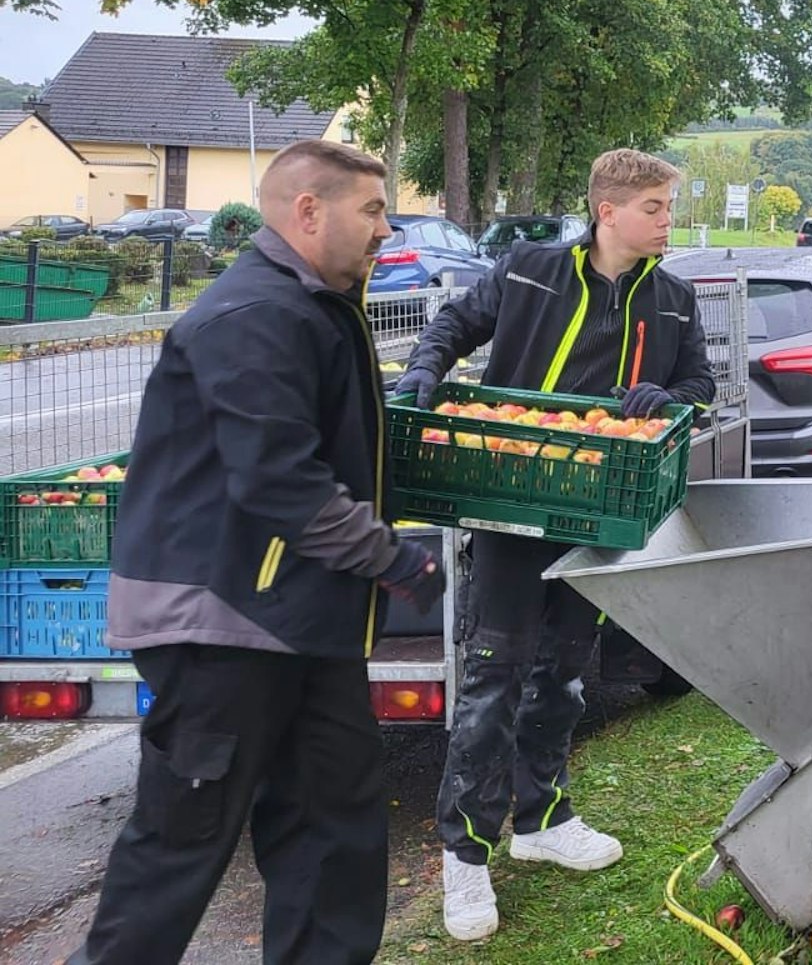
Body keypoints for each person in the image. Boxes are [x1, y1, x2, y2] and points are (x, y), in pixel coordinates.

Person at [68, 140, 444, 965]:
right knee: (180, 844)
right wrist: (394, 558)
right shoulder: (256, 315)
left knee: (333, 830)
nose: (387, 228)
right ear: (308, 211)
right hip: (222, 622)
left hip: (302, 618)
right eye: (372, 210)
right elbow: (279, 481)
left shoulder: (315, 304)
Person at [396, 148, 714, 941]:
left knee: (565, 677)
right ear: (609, 211)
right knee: (492, 682)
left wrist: (666, 397)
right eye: (656, 206)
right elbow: (453, 325)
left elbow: (702, 388)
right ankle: (466, 858)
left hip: (596, 515)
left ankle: (542, 819)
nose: (668, 219)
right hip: (511, 504)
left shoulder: (673, 299)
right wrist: (420, 376)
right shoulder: (529, 269)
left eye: (669, 206)